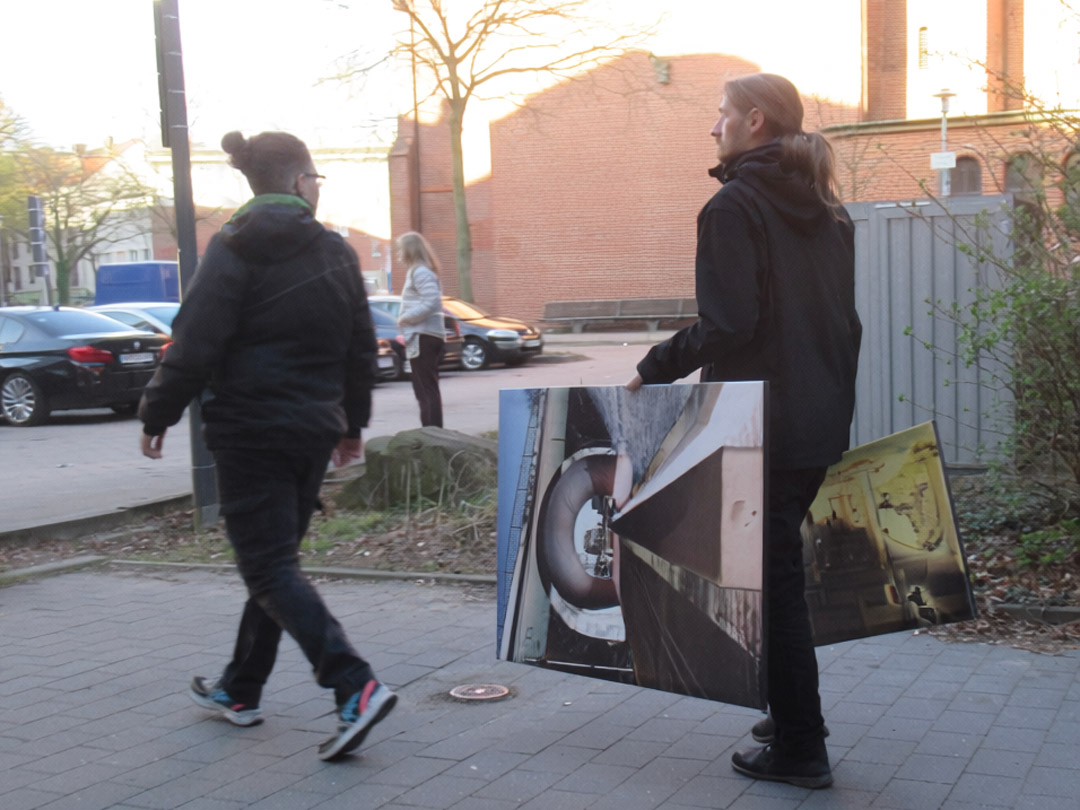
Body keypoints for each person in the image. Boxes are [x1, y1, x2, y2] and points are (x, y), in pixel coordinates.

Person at [627, 73, 861, 789]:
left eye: (721, 114)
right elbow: (842, 325)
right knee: (768, 570)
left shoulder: (734, 207)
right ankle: (787, 711)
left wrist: (654, 366)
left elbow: (729, 323)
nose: (713, 127)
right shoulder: (827, 208)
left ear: (754, 121)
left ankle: (800, 745)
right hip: (817, 418)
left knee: (773, 579)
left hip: (761, 420)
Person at [138, 130, 396, 762]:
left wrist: (157, 411)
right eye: (316, 179)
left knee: (269, 567)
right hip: (311, 431)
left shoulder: (230, 250)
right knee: (276, 563)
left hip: (249, 433)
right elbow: (360, 347)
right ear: (300, 182)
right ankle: (240, 689)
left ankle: (353, 684)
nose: (317, 189)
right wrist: (351, 425)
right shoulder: (335, 252)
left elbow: (193, 341)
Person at [395, 231, 445, 427]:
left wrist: (406, 318)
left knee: (425, 388)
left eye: (401, 248)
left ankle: (432, 434)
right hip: (423, 335)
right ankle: (432, 432)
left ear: (409, 250)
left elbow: (431, 301)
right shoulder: (419, 271)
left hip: (424, 336)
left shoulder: (420, 272)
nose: (399, 252)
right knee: (423, 388)